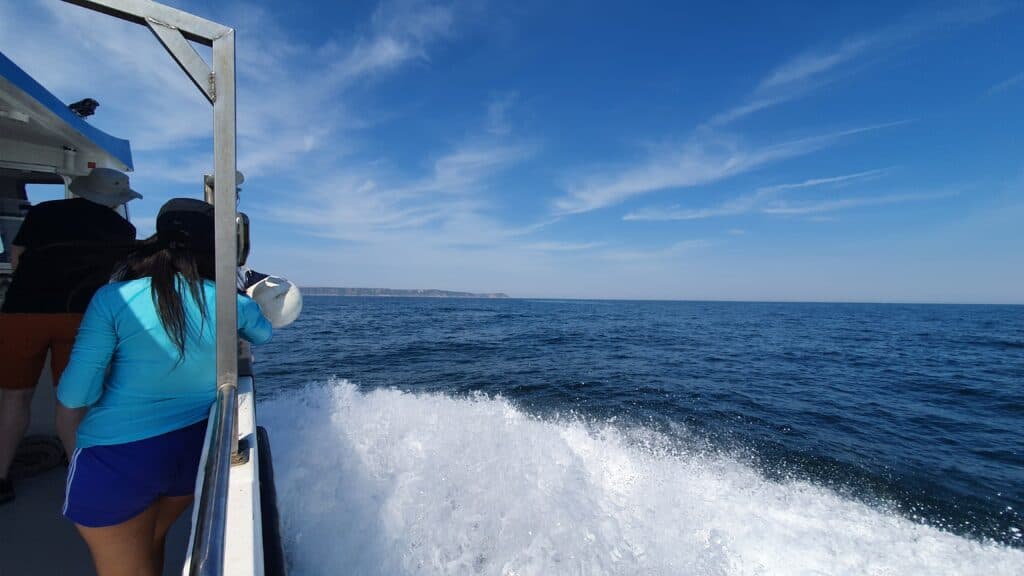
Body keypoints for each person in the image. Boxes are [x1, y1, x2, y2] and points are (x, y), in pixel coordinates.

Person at [57, 197, 272, 576]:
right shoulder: (230, 303)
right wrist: (242, 290)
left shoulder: (113, 298)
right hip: (190, 454)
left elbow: (76, 396)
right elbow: (263, 332)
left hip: (116, 462)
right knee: (151, 543)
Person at [0, 167, 140, 505]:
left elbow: (17, 257)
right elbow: (118, 279)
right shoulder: (124, 228)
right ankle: (78, 473)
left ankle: (1, 478)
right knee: (72, 401)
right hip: (79, 318)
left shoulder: (44, 212)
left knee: (14, 399)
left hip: (23, 313)